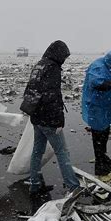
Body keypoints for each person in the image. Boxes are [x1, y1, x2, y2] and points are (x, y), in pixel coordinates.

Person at [20, 40, 80, 195]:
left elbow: (32, 90)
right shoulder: (52, 68)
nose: (64, 60)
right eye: (64, 57)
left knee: (37, 150)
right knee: (62, 152)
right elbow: (52, 96)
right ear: (58, 54)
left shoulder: (39, 65)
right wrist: (59, 120)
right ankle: (73, 187)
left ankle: (35, 184)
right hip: (48, 118)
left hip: (37, 116)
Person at [82, 47, 111, 179]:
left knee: (105, 132)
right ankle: (100, 164)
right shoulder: (98, 66)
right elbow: (96, 83)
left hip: (105, 106)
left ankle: (103, 157)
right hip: (96, 106)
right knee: (98, 135)